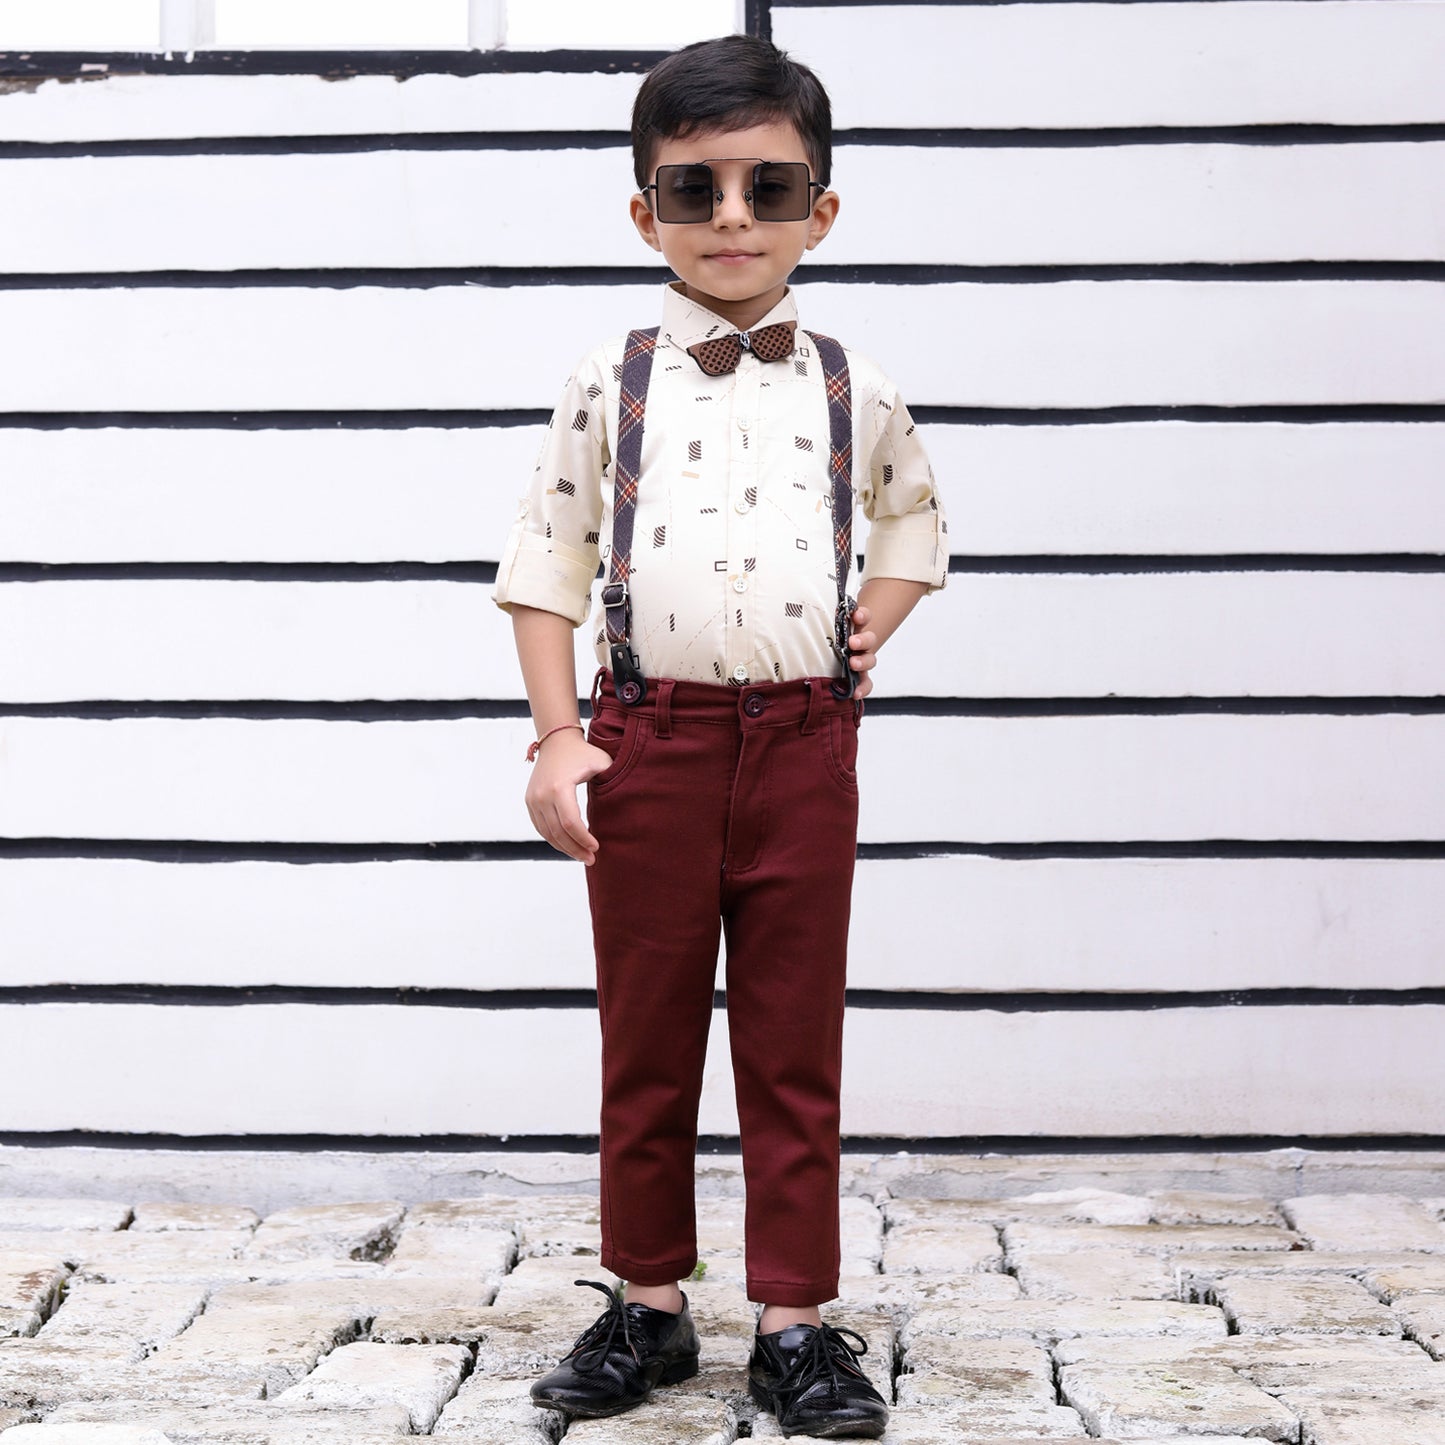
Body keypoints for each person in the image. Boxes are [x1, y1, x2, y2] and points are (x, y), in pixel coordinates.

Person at [493, 32, 947, 1439]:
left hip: (804, 750)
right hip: (653, 743)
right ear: (647, 214)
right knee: (645, 1036)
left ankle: (794, 1323)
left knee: (792, 1041)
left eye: (768, 188)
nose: (732, 218)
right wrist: (557, 737)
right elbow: (547, 558)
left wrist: (869, 627)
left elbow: (914, 521)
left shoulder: (851, 382)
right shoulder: (611, 379)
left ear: (821, 210)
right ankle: (648, 1302)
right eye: (695, 190)